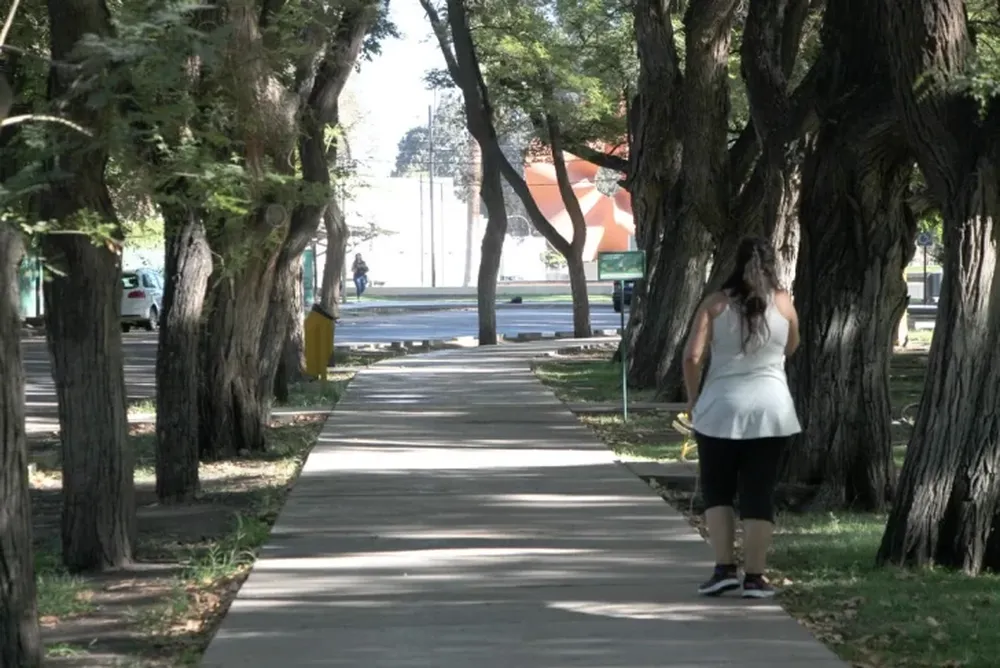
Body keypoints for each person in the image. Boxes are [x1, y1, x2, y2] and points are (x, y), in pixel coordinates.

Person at [682, 236, 801, 599]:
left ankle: (723, 570)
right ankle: (755, 577)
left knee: (717, 491)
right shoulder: (784, 303)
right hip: (772, 411)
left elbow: (691, 357)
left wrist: (693, 400)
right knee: (758, 493)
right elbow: (792, 345)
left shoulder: (715, 305)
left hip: (719, 410)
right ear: (771, 266)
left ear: (736, 263)